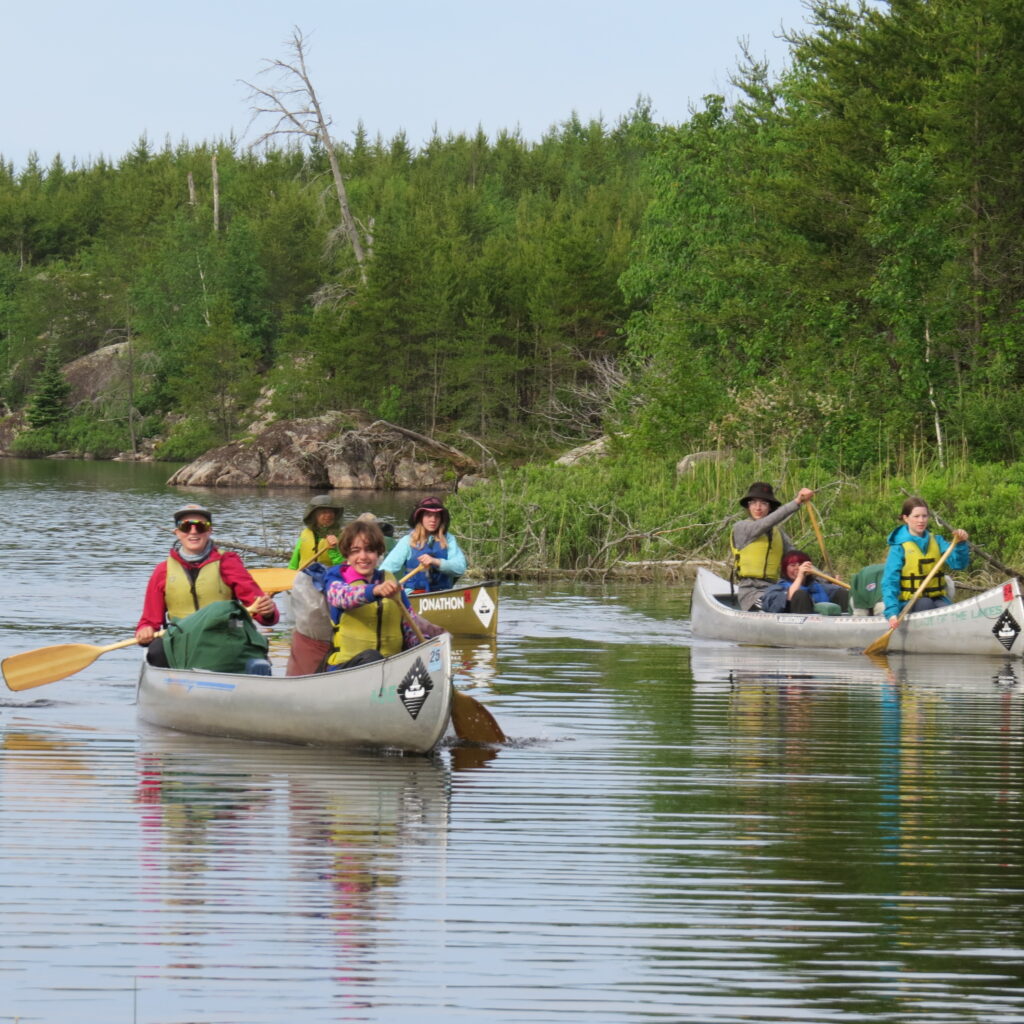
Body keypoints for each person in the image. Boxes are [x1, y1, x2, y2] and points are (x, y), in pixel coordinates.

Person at [136, 503, 279, 670]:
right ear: (177, 532)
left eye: (201, 526)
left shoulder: (228, 563)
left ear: (210, 531)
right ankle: (175, 687)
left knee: (250, 655)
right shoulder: (163, 571)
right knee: (156, 651)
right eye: (186, 526)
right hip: (183, 638)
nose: (193, 532)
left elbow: (265, 614)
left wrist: (267, 611)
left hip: (223, 636)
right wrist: (145, 630)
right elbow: (149, 621)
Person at [322, 518, 442, 670]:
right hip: (347, 667)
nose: (363, 556)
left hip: (390, 667)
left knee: (433, 648)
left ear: (378, 552)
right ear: (347, 554)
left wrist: (426, 648)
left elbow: (408, 623)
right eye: (355, 551)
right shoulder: (336, 577)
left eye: (369, 550)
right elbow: (341, 597)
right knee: (372, 657)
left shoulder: (391, 581)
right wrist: (375, 590)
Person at [882, 496, 969, 629]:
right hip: (909, 603)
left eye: (924, 516)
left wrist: (961, 544)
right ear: (906, 518)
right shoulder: (899, 547)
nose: (921, 520)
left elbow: (958, 564)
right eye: (916, 516)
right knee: (925, 603)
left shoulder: (937, 541)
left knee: (950, 612)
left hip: (937, 597)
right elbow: (890, 582)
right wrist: (892, 613)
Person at [731, 482, 815, 611]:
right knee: (794, 596)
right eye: (753, 502)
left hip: (775, 588)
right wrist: (797, 502)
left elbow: (798, 560)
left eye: (764, 503)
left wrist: (826, 579)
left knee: (830, 591)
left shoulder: (778, 533)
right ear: (748, 506)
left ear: (770, 507)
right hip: (751, 593)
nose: (758, 508)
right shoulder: (742, 528)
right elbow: (766, 523)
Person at [381, 496, 467, 593]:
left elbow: (460, 568)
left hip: (443, 594)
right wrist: (390, 585)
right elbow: (385, 570)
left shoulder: (449, 539)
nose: (433, 520)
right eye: (428, 515)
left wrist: (436, 561)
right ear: (420, 517)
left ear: (441, 519)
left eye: (437, 516)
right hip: (413, 594)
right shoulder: (407, 541)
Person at [762, 550, 851, 614]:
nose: (798, 568)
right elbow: (774, 605)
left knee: (841, 592)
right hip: (798, 626)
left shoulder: (817, 586)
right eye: (793, 565)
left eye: (801, 565)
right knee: (800, 594)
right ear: (785, 569)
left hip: (823, 624)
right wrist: (800, 576)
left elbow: (835, 591)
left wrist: (837, 585)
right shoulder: (777, 588)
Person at [288, 495, 345, 569]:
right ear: (314, 515)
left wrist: (334, 550)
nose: (328, 515)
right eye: (324, 512)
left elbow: (345, 567)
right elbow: (294, 562)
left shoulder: (343, 536)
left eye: (331, 512)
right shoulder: (305, 534)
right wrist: (289, 574)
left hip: (329, 577)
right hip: (304, 576)